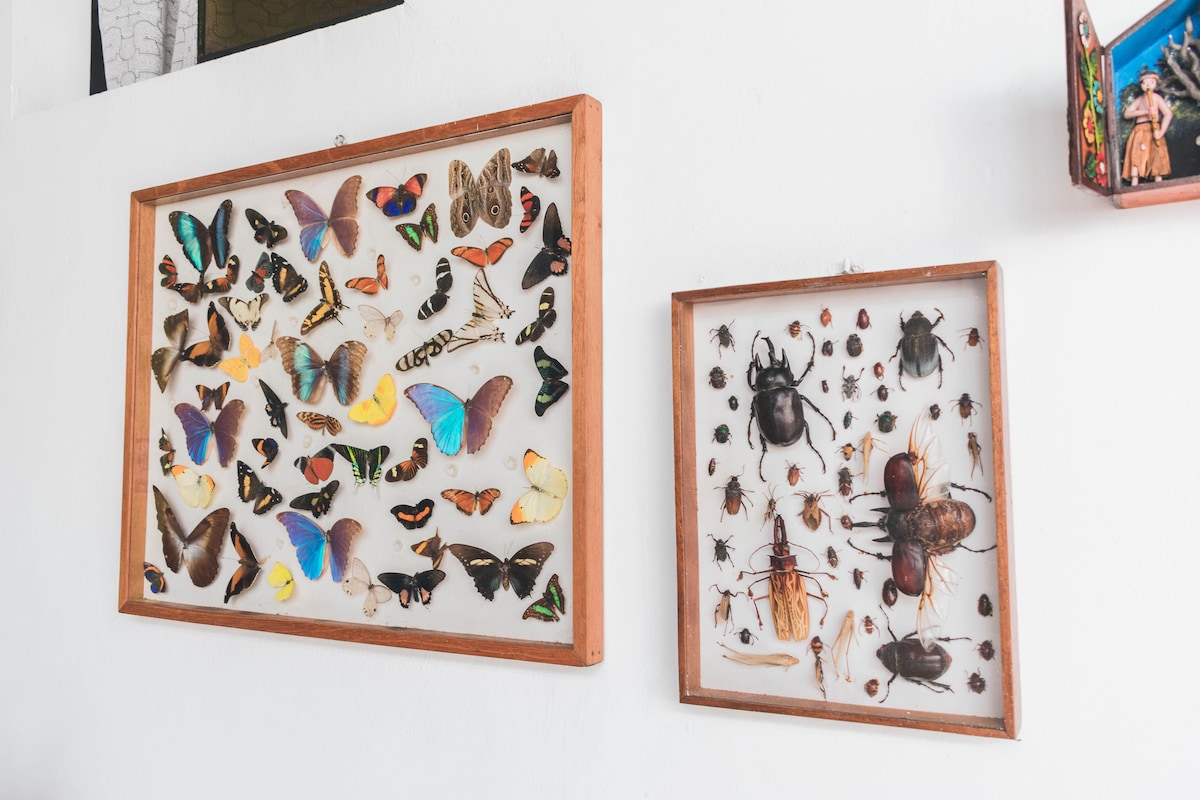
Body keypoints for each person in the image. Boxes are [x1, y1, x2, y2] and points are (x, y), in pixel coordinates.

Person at [1122, 69, 1173, 185]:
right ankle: (1134, 182)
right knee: (1137, 155)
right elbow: (1127, 114)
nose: (1148, 85)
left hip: (1155, 130)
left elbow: (1168, 114)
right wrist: (1145, 112)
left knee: (1157, 154)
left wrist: (1161, 131)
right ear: (1141, 85)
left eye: (1151, 82)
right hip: (1140, 130)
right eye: (1145, 83)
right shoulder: (1139, 99)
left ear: (1155, 83)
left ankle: (1158, 182)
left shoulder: (1156, 98)